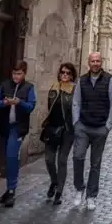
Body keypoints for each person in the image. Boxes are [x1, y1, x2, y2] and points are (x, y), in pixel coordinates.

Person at [72, 52, 112, 211]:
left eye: (98, 61)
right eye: (93, 61)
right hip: (83, 127)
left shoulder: (110, 80)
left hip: (100, 128)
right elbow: (76, 102)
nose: (95, 64)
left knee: (95, 164)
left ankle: (91, 196)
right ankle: (79, 188)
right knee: (77, 157)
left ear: (101, 62)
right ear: (88, 62)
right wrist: (76, 122)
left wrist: (108, 126)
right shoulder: (82, 80)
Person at [0, 60, 36, 207]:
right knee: (6, 158)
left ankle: (11, 190)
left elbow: (31, 106)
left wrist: (19, 103)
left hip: (17, 128)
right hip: (4, 126)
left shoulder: (29, 88)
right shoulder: (4, 85)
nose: (16, 76)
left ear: (24, 74)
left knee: (12, 157)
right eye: (14, 73)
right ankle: (8, 190)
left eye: (19, 74)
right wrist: (4, 103)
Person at [42, 62, 77, 205]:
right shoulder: (54, 88)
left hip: (67, 130)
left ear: (72, 75)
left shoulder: (75, 90)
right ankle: (54, 181)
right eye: (63, 72)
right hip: (52, 128)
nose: (65, 75)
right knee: (49, 160)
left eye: (68, 73)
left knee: (62, 160)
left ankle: (59, 192)